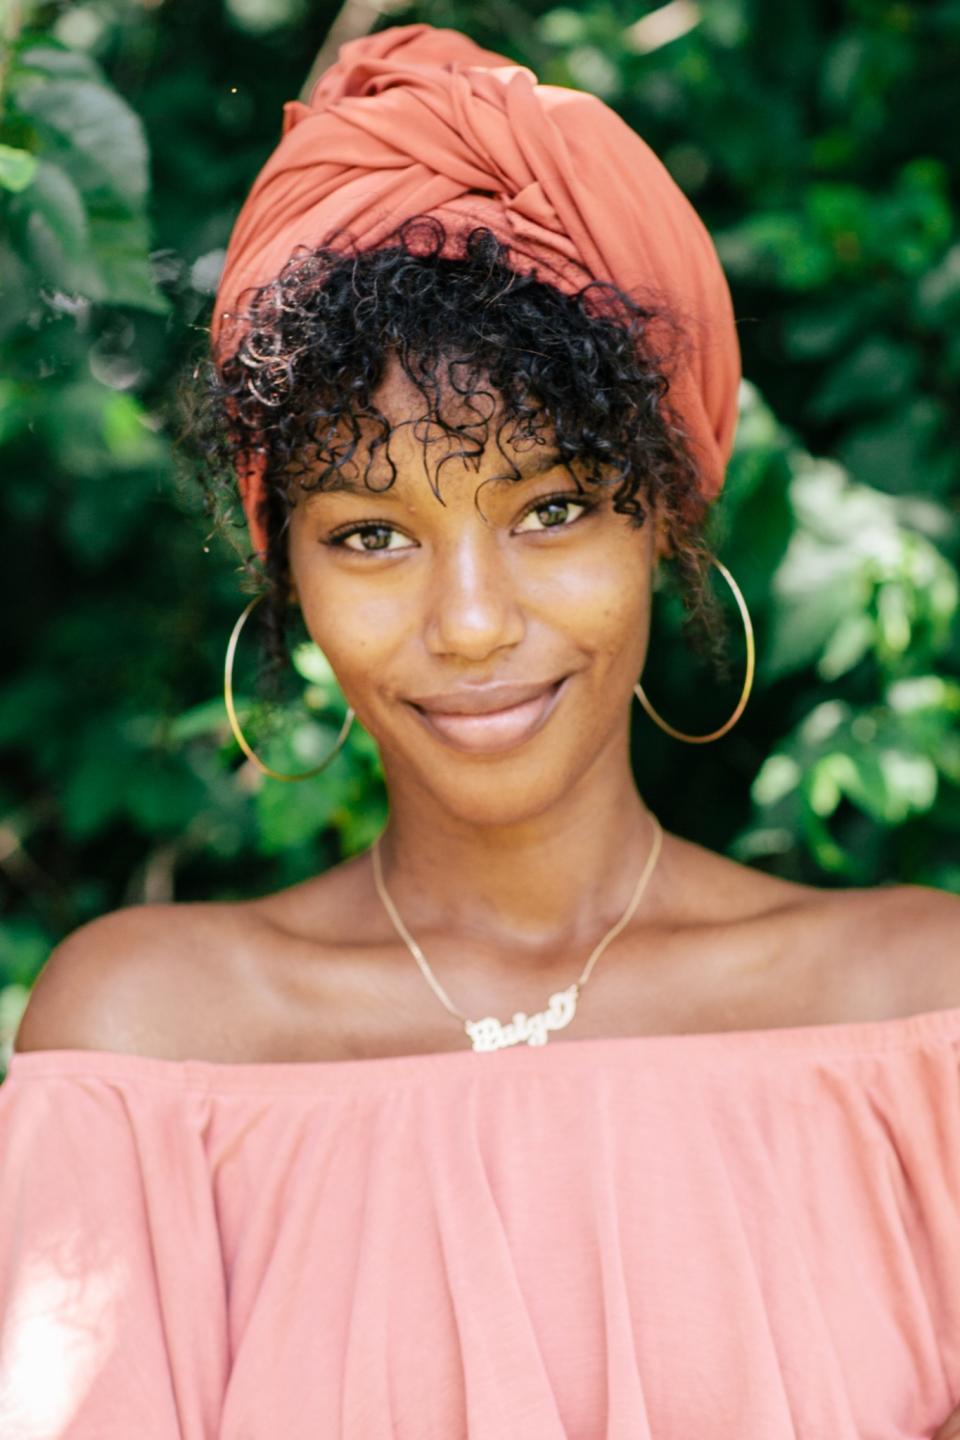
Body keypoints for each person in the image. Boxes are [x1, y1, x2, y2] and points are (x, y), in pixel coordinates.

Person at [2, 21, 959, 1440]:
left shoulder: (916, 1024)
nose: (466, 622)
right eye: (374, 532)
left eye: (551, 509)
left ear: (667, 518)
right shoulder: (153, 1049)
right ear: (287, 573)